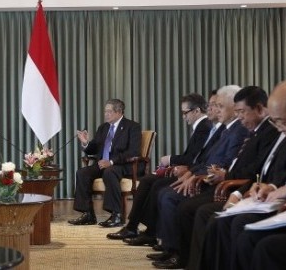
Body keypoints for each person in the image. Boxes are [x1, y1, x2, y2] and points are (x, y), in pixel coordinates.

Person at [152, 86, 279, 269]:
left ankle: (188, 260)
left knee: (194, 209)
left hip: (234, 186)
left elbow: (254, 170)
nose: (216, 110)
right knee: (170, 194)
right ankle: (180, 254)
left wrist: (228, 180)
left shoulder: (265, 130)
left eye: (220, 106)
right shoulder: (246, 130)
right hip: (229, 183)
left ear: (260, 109)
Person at [198, 81, 286, 270]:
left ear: (260, 109)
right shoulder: (274, 132)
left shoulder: (268, 131)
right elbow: (265, 171)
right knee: (221, 220)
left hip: (275, 205)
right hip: (264, 198)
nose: (278, 127)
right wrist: (267, 187)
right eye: (276, 121)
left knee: (246, 232)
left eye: (281, 121)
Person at [106, 93, 212, 240]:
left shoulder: (204, 127)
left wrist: (170, 160)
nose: (183, 117)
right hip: (189, 171)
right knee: (148, 181)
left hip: (196, 175)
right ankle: (135, 227)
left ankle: (145, 230)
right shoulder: (202, 126)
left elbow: (192, 158)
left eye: (185, 113)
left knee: (154, 184)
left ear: (197, 111)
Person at [68, 99, 141, 227]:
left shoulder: (132, 127)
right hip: (102, 163)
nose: (106, 114)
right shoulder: (103, 127)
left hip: (123, 165)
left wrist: (111, 162)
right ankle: (88, 214)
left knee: (109, 172)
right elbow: (94, 148)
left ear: (119, 112)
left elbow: (133, 152)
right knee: (82, 173)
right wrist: (85, 142)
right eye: (105, 111)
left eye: (109, 111)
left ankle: (116, 215)